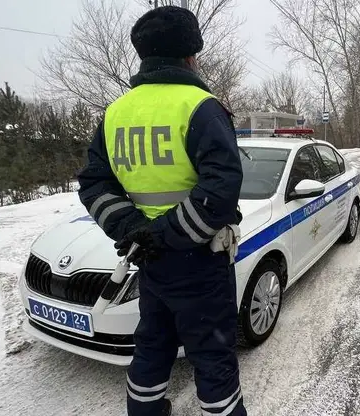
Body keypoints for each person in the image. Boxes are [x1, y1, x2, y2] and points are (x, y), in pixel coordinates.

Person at [77, 6, 246, 416]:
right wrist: (165, 234)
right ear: (191, 56)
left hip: (149, 261)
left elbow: (95, 184)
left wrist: (134, 228)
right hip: (199, 262)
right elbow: (221, 188)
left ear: (145, 56)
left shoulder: (115, 113)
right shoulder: (201, 107)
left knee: (152, 345)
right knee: (212, 354)